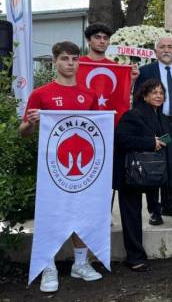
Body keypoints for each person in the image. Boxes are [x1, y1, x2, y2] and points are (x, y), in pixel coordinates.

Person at [20, 41, 102, 293]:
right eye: (65, 59)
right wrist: (32, 123)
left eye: (74, 59)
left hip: (83, 170)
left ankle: (80, 264)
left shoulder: (88, 95)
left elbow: (98, 130)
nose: (70, 64)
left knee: (82, 214)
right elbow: (23, 132)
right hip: (52, 169)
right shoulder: (41, 93)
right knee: (51, 217)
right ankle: (49, 267)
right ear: (54, 61)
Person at [115, 79, 172, 273]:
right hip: (133, 172)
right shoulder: (132, 115)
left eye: (161, 93)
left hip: (157, 168)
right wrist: (149, 142)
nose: (158, 96)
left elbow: (167, 142)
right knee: (132, 213)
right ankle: (135, 257)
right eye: (154, 92)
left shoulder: (162, 117)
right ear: (144, 95)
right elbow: (121, 139)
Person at [133, 37, 172, 225]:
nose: (166, 50)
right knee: (155, 166)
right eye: (162, 47)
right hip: (156, 126)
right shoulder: (146, 72)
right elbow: (138, 100)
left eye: (170, 47)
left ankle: (170, 205)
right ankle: (155, 210)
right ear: (155, 51)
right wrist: (145, 128)